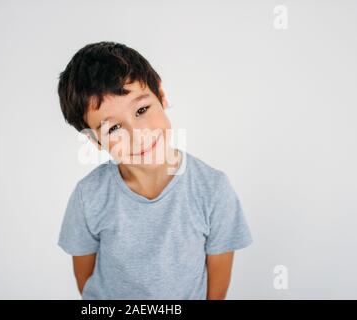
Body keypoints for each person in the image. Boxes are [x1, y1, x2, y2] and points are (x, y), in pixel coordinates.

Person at [56, 41, 253, 299]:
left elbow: (216, 288)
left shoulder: (213, 189)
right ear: (96, 141)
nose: (137, 135)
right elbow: (86, 279)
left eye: (142, 109)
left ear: (161, 94)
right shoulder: (88, 196)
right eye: (113, 129)